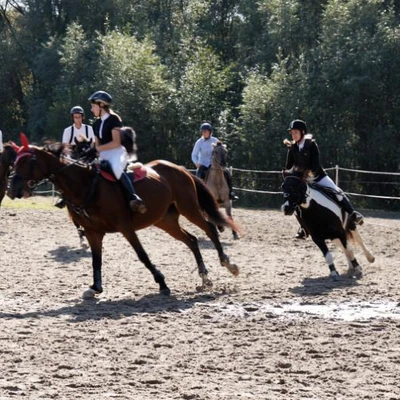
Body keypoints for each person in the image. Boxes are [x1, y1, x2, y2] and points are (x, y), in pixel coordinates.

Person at [284, 119, 363, 239]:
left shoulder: (311, 145)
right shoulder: (292, 148)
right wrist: (290, 176)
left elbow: (315, 165)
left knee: (337, 192)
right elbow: (289, 167)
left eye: (296, 132)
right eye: (292, 133)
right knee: (294, 201)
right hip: (302, 181)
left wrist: (307, 176)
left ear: (302, 132)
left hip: (318, 177)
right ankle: (303, 228)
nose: (293, 135)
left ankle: (353, 214)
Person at [88, 90, 146, 213]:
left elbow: (116, 142)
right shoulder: (96, 124)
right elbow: (97, 144)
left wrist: (97, 149)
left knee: (115, 168)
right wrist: (91, 151)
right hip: (104, 154)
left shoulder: (114, 120)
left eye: (93, 106)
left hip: (117, 153)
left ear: (101, 105)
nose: (91, 109)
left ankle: (134, 198)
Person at [55, 106, 96, 208]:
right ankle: (63, 196)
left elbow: (93, 143)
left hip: (87, 154)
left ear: (83, 117)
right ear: (72, 118)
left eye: (79, 117)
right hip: (73, 154)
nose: (77, 119)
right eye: (75, 117)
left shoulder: (89, 129)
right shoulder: (68, 130)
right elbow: (65, 146)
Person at [191, 122, 237, 200]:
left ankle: (231, 193)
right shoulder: (199, 142)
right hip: (203, 165)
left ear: (210, 132)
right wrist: (196, 163)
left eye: (206, 131)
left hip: (215, 165)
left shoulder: (215, 140)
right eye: (203, 131)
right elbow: (194, 154)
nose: (204, 133)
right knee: (198, 176)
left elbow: (221, 150)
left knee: (227, 173)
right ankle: (197, 195)